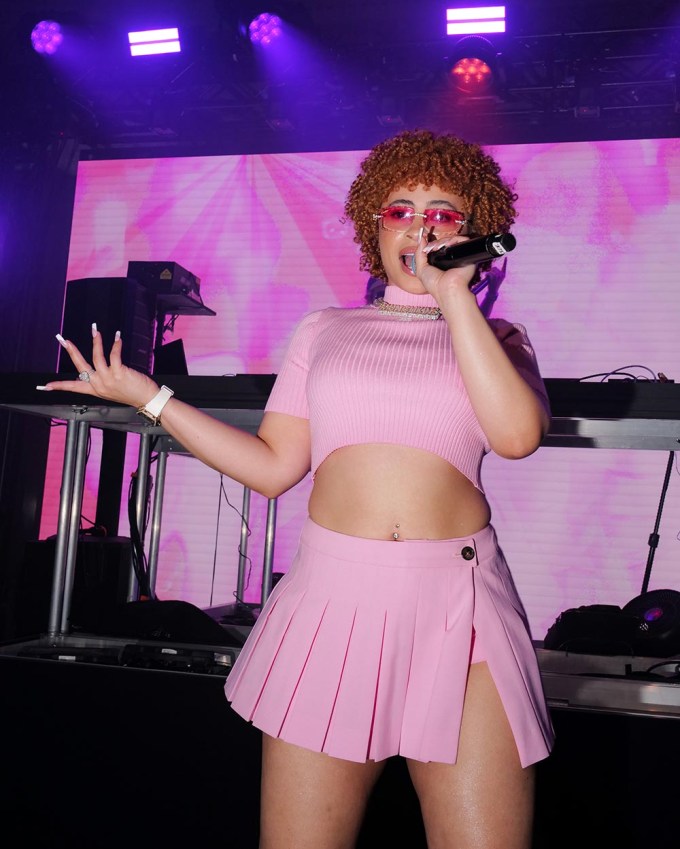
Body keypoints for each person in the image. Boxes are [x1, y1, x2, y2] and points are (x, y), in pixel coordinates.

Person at [40, 129, 554, 849]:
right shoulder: (325, 329)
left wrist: (452, 296)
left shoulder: (499, 339)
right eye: (401, 210)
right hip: (332, 604)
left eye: (443, 213)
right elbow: (274, 466)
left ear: (473, 232)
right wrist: (150, 397)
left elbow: (517, 435)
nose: (420, 227)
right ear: (374, 225)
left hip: (462, 609)